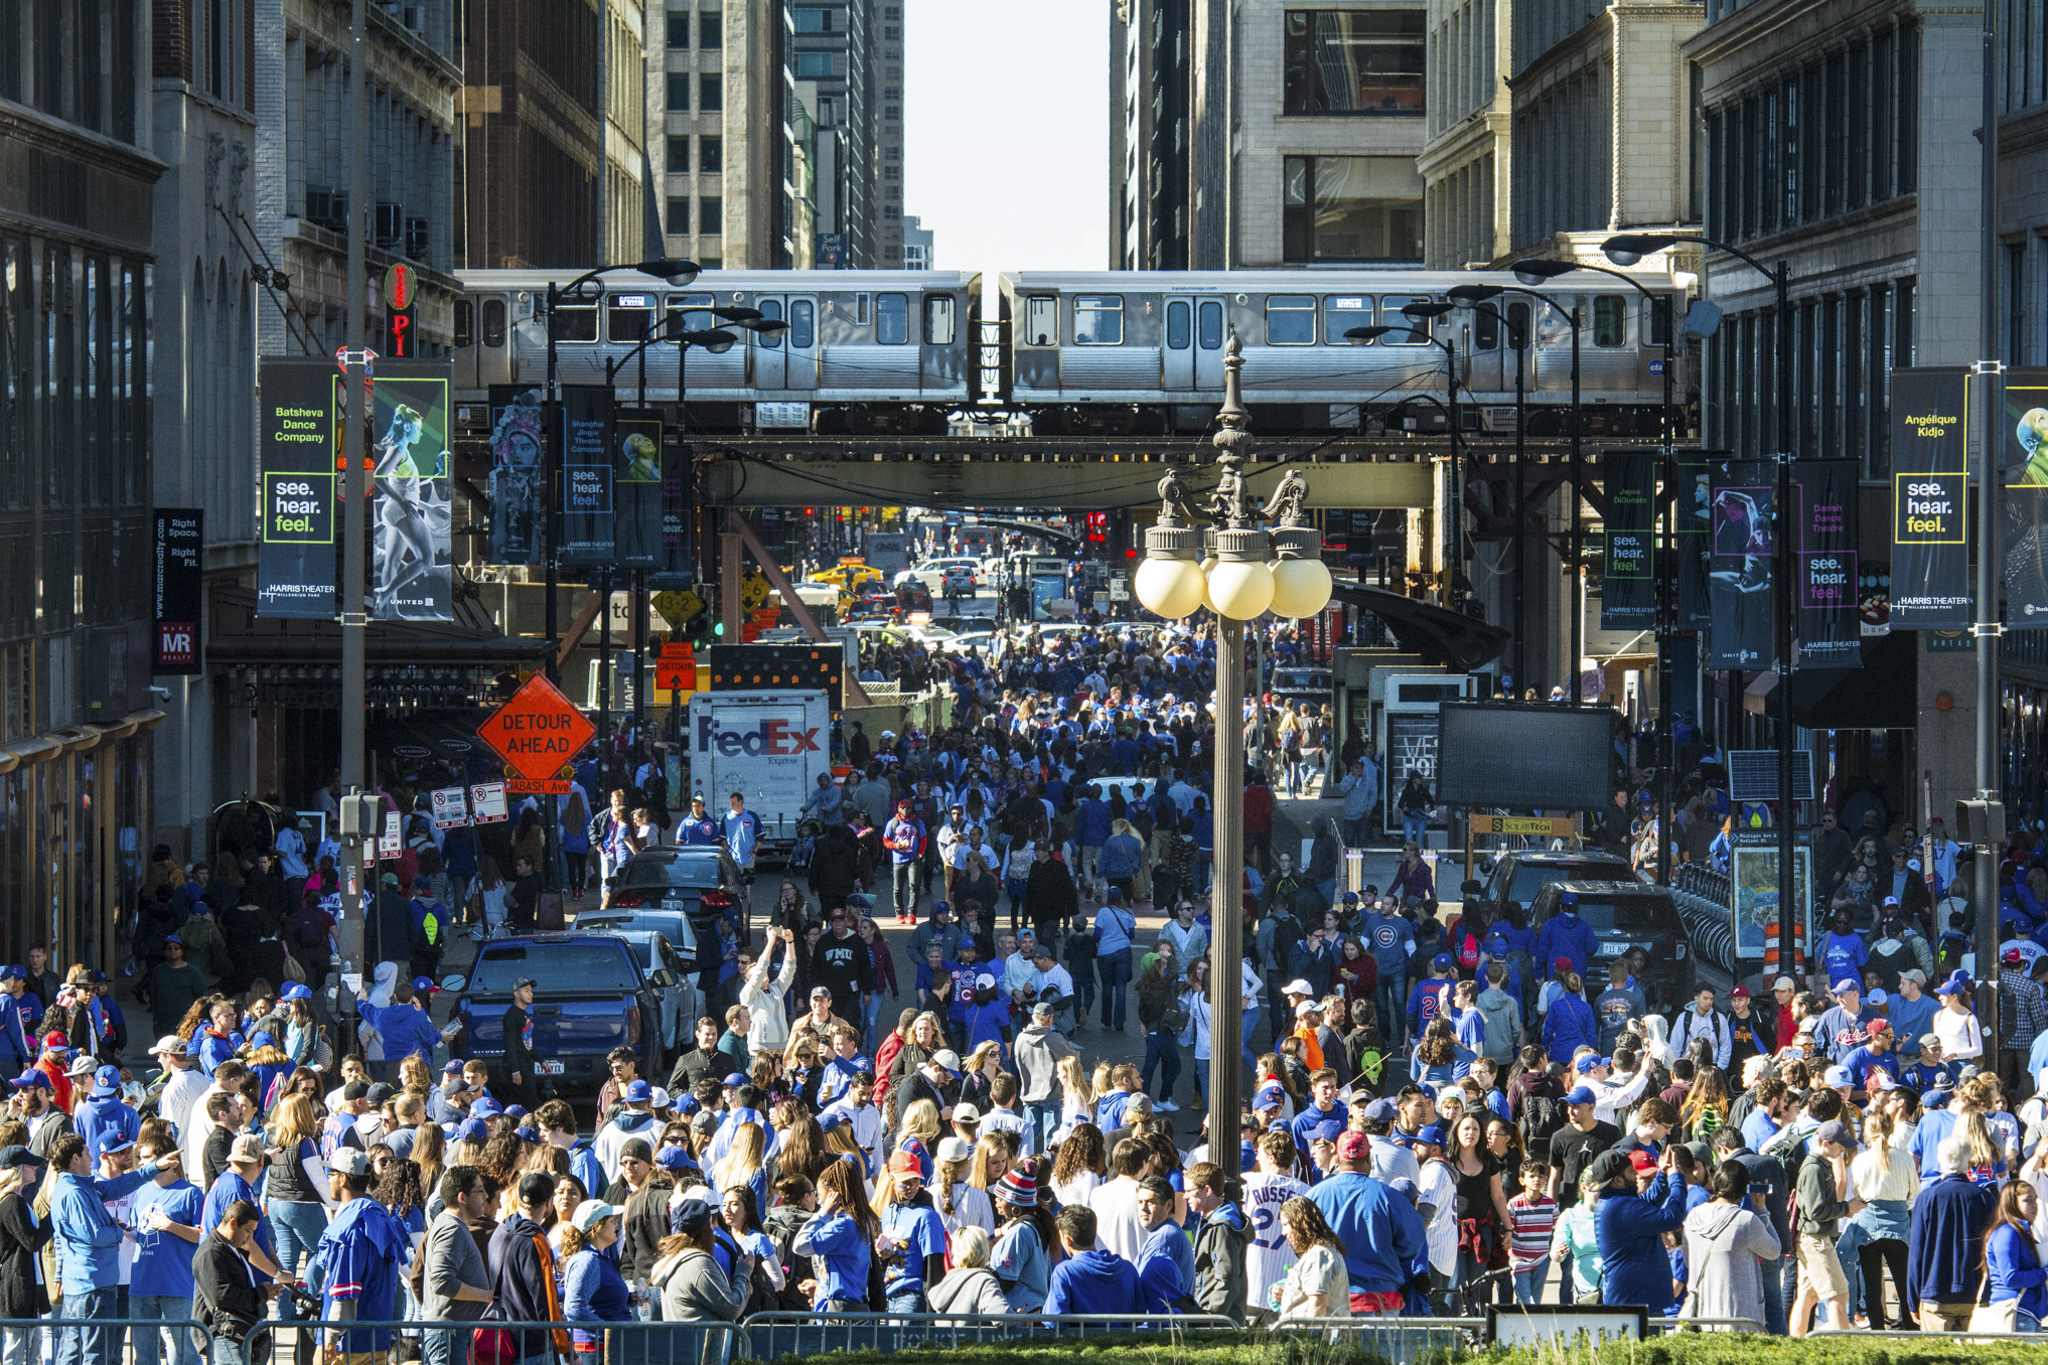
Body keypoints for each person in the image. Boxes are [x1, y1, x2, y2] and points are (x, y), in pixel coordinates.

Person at [51, 1130, 171, 1365]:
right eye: (86, 1154)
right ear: (75, 1159)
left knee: (77, 1351)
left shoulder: (82, 1187)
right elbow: (94, 1235)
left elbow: (117, 1187)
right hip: (91, 1285)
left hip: (89, 1283)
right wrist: (118, 1230)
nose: (92, 1159)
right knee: (94, 1353)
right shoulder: (74, 1193)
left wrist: (155, 1167)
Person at [311, 1146, 415, 1363]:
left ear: (342, 1179)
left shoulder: (349, 1227)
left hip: (347, 1343)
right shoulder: (379, 1215)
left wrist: (330, 1337)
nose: (327, 1179)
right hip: (378, 1338)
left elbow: (345, 1289)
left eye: (330, 1174)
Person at [1305, 1131, 1428, 1314]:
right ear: (1369, 1157)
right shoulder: (1390, 1197)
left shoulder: (1314, 1196)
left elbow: (1300, 1244)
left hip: (1329, 1301)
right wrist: (1388, 1256)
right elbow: (1413, 1243)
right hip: (1380, 1300)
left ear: (1337, 1157)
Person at [1906, 1135, 2002, 1330]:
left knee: (1939, 1357)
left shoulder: (1927, 1198)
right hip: (1975, 1291)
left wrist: (1912, 1298)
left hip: (1935, 1291)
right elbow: (1993, 1249)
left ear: (1939, 1160)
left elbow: (1916, 1252)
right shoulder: (1985, 1198)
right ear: (1968, 1161)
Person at [128, 1133, 205, 1365]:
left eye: (146, 1158)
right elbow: (139, 1232)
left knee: (182, 1353)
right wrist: (123, 1231)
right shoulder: (141, 1191)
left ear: (167, 1159)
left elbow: (205, 1236)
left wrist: (171, 1226)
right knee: (144, 1355)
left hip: (176, 1285)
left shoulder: (190, 1193)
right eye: (140, 1158)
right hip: (142, 1284)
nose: (141, 1163)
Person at [1679, 1157, 1781, 1328]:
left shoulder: (1693, 1218)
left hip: (1703, 1314)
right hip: (1740, 1317)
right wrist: (1761, 1210)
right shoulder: (1745, 1221)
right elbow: (1774, 1250)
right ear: (1744, 1188)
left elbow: (1689, 1262)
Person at [1588, 1146, 1688, 1315]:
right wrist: (1676, 1177)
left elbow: (1648, 1200)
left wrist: (1662, 1174)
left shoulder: (1616, 1201)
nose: (1636, 1175)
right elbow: (1672, 1217)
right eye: (1630, 1172)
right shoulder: (1622, 1208)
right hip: (1635, 1305)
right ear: (1618, 1180)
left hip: (1635, 1301)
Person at [488, 1172, 570, 1365]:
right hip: (531, 1345)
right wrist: (565, 1349)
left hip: (503, 1338)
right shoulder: (535, 1240)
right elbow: (547, 1300)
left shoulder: (500, 1230)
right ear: (549, 1202)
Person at [1789, 1119, 1859, 1336]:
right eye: (1840, 1145)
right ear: (1826, 1143)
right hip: (1816, 1240)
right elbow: (1816, 1211)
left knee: (1808, 1297)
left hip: (1813, 1239)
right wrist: (1846, 1207)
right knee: (1839, 1295)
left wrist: (1843, 1208)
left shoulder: (1819, 1165)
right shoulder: (1814, 1169)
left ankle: (1794, 1345)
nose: (1844, 1149)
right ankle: (1843, 1352)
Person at [421, 1168, 497, 1365]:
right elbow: (441, 1281)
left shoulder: (450, 1224)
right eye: (480, 1190)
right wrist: (487, 1296)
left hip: (451, 1333)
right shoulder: (451, 1228)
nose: (486, 1196)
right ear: (462, 1197)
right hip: (449, 1334)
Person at [192, 1200, 269, 1365]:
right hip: (222, 1334)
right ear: (233, 1223)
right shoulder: (211, 1253)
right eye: (248, 1231)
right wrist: (261, 1293)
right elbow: (220, 1296)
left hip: (237, 1333)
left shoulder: (232, 1250)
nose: (250, 1237)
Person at [650, 1196, 747, 1322]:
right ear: (704, 1229)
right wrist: (743, 1273)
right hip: (701, 1340)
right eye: (710, 1224)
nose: (713, 1231)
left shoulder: (671, 1260)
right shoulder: (699, 1264)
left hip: (685, 1339)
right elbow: (733, 1307)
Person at [0, 1145, 53, 1361]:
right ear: (17, 1169)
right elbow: (32, 1241)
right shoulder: (12, 1202)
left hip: (25, 1285)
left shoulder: (18, 1199)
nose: (35, 1167)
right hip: (16, 1288)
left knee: (31, 1346)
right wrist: (53, 1218)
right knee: (18, 1347)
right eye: (29, 1163)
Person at [1044, 1206, 1143, 1318]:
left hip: (1080, 1336)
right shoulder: (1128, 1268)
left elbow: (1054, 1320)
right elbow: (1140, 1314)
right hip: (1125, 1335)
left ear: (1067, 1239)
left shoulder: (1064, 1272)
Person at [562, 1200, 634, 1347]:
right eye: (611, 1220)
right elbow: (574, 1308)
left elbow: (601, 1299)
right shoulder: (587, 1260)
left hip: (601, 1347)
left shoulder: (598, 1258)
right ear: (597, 1227)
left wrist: (631, 1298)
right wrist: (606, 1331)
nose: (616, 1224)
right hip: (594, 1349)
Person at [1186, 1161, 1249, 1323]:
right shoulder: (1212, 1222)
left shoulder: (1221, 1228)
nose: (1185, 1196)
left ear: (1207, 1190)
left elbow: (1227, 1279)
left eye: (1189, 1191)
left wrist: (1210, 1318)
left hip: (1218, 1322)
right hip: (1214, 1316)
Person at [1983, 1177, 2046, 1331]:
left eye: (2035, 1200)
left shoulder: (2021, 1232)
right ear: (2012, 1202)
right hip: (2014, 1310)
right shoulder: (2007, 1233)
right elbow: (2010, 1278)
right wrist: (2044, 1273)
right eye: (2028, 1200)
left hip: (2028, 1311)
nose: (2034, 1205)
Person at [1274, 1196, 1352, 1320]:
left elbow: (1318, 1306)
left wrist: (1309, 1338)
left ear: (1300, 1223)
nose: (1283, 1232)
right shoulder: (1319, 1252)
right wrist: (1288, 1293)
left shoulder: (1318, 1255)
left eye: (1286, 1224)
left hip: (1314, 1336)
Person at [926, 1224, 1013, 1319]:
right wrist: (1019, 1319)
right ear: (984, 1250)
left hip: (947, 1333)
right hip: (974, 1334)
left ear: (955, 1251)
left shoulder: (947, 1280)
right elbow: (1002, 1317)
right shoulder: (984, 1281)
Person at [500, 976, 541, 1109]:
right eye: (526, 991)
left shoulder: (524, 1014)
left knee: (529, 1102)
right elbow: (510, 1044)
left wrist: (541, 1061)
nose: (530, 994)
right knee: (527, 1104)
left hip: (525, 1063)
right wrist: (515, 1070)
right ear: (516, 993)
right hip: (518, 1065)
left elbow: (526, 1044)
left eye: (531, 991)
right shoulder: (511, 1016)